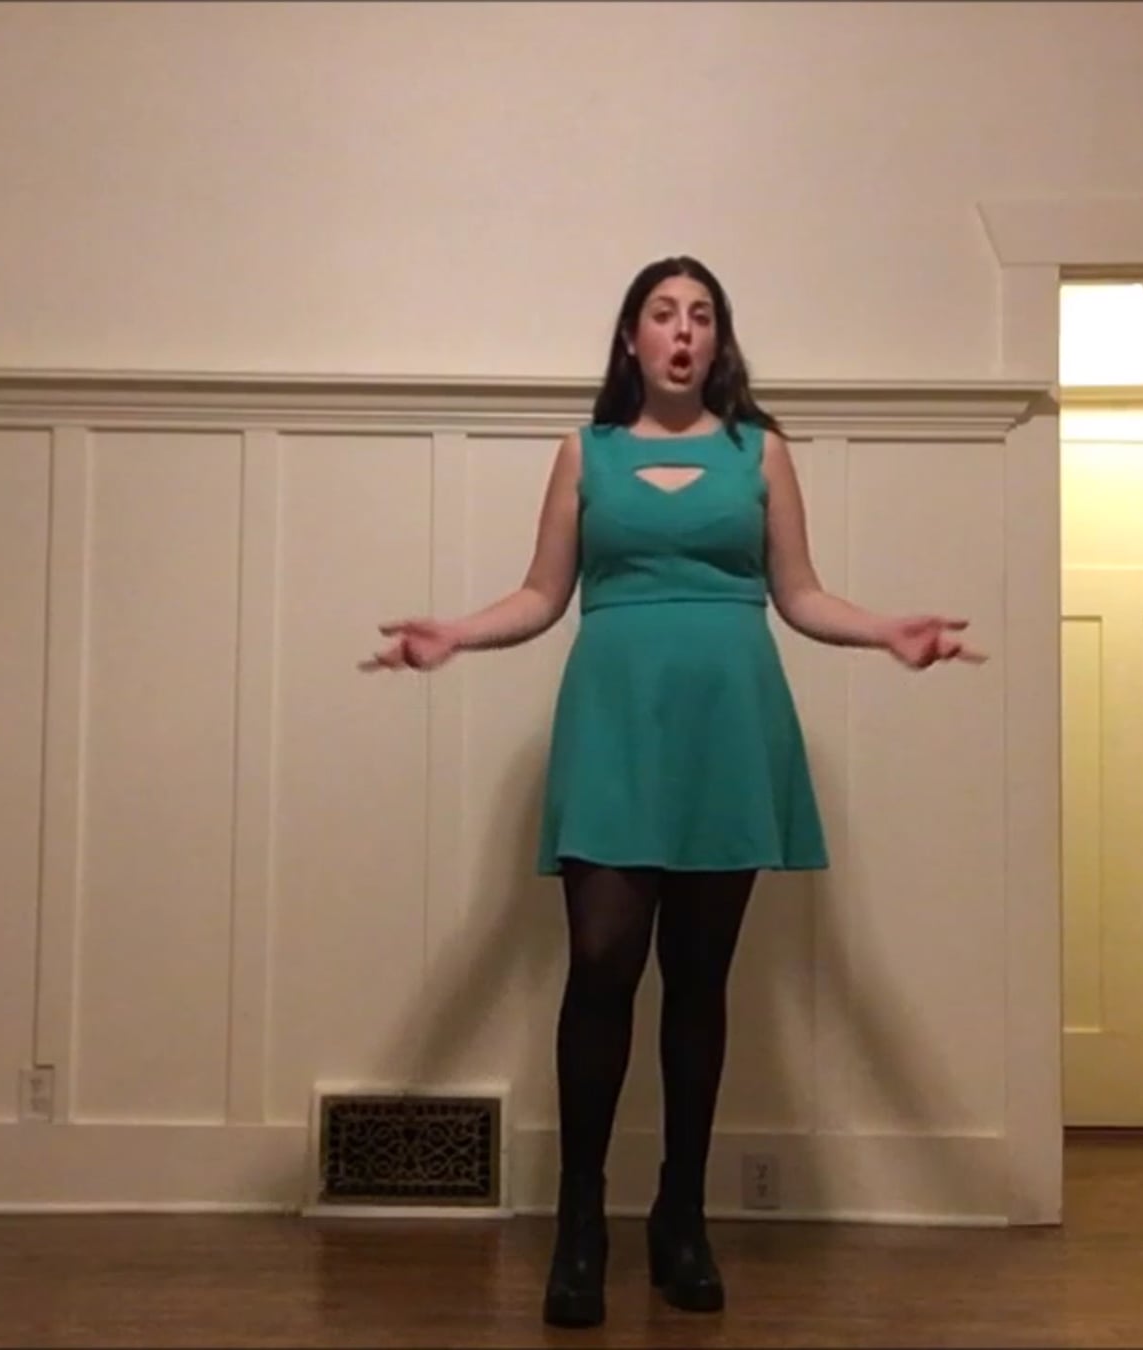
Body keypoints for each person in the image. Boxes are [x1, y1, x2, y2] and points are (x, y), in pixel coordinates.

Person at [361, 256, 984, 1328]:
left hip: (728, 730)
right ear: (632, 338)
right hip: (614, 725)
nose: (683, 332)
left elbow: (800, 594)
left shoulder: (760, 451)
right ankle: (581, 1225)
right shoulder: (586, 452)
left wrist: (887, 630)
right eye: (663, 314)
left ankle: (681, 1218)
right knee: (602, 963)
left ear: (718, 341)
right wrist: (455, 634)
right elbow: (541, 594)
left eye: (702, 316)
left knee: (700, 979)